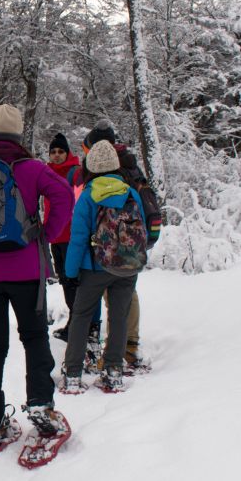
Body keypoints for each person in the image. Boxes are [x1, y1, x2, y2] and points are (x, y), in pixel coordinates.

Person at [0, 105, 73, 449]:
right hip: (27, 271)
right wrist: (45, 232)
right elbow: (63, 195)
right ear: (18, 136)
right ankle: (40, 405)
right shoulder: (32, 169)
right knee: (34, 339)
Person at [62, 140, 148, 393]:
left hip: (94, 268)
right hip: (127, 266)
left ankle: (74, 374)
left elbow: (77, 239)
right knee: (119, 317)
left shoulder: (89, 194)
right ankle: (113, 370)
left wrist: (69, 272)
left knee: (81, 317)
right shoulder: (131, 193)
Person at [80, 120, 162, 372]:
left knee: (113, 297)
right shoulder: (130, 165)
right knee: (128, 292)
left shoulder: (106, 169)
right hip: (137, 238)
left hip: (111, 244)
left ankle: (118, 352)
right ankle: (129, 346)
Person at [45, 132, 82, 341]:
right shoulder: (46, 173)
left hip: (71, 236)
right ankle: (74, 322)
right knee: (65, 281)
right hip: (55, 236)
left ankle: (79, 324)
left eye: (61, 151)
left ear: (67, 153)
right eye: (53, 152)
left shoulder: (75, 173)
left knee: (73, 281)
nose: (57, 155)